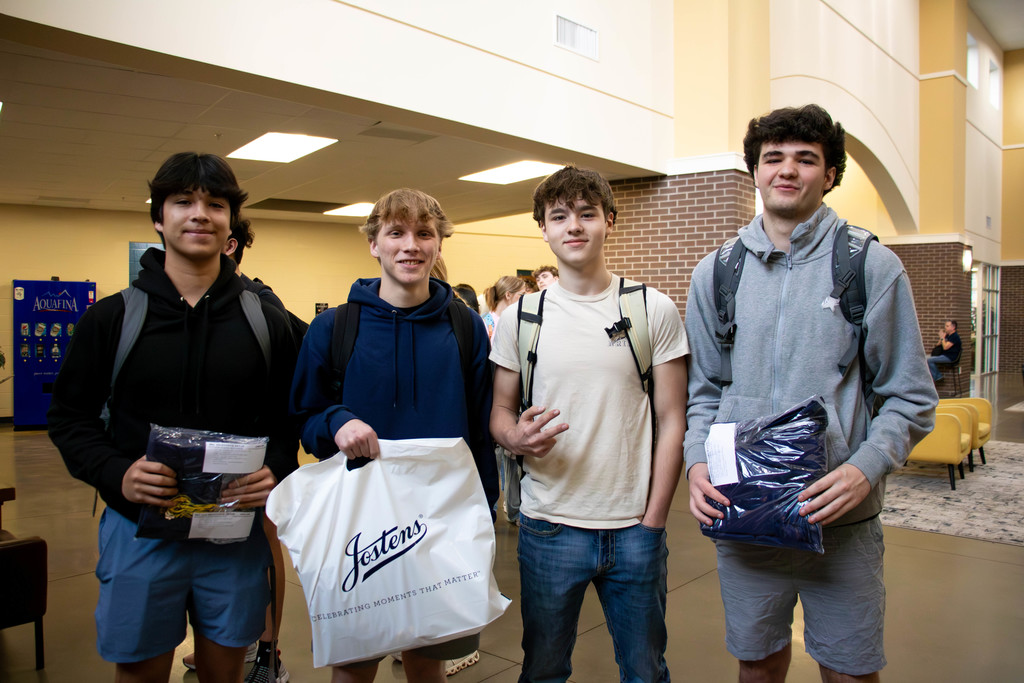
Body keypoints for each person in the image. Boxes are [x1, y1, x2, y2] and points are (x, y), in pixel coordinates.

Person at [684, 104, 938, 682]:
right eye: (773, 158)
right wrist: (696, 463)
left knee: (849, 671)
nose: (787, 170)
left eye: (806, 159)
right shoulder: (716, 273)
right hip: (744, 517)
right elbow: (703, 392)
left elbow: (911, 396)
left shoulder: (870, 266)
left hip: (840, 520)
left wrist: (865, 469)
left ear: (829, 175)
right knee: (759, 664)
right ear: (755, 171)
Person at [47, 152, 299, 683]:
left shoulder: (265, 322)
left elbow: (287, 415)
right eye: (183, 201)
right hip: (140, 530)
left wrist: (275, 467)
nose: (199, 213)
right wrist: (117, 474)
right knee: (139, 671)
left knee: (223, 670)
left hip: (232, 535)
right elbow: (69, 418)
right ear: (159, 218)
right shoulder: (111, 318)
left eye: (215, 203)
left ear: (231, 222)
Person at [489, 165, 689, 682]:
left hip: (633, 529)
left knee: (645, 671)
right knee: (544, 670)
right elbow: (500, 414)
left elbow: (672, 421)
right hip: (549, 525)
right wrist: (515, 436)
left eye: (586, 214)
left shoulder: (651, 309)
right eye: (559, 216)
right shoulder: (522, 318)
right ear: (544, 229)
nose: (573, 226)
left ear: (609, 222)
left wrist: (654, 521)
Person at [289, 188, 498, 682]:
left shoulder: (464, 327)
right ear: (374, 244)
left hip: (441, 523)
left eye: (424, 233)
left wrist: (483, 515)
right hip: (358, 525)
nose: (411, 245)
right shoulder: (334, 328)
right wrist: (337, 422)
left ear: (439, 244)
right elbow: (305, 417)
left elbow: (481, 432)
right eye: (396, 233)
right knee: (355, 665)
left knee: (428, 662)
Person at [179, 216, 303, 682]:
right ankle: (220, 642)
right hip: (190, 464)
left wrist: (273, 460)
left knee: (261, 546)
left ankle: (268, 654)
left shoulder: (260, 303)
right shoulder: (174, 304)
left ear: (230, 245)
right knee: (201, 553)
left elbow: (296, 376)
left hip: (253, 462)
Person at [482, 275, 528, 341]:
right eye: (522, 295)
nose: (524, 298)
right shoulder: (486, 322)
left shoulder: (518, 320)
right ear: (508, 295)